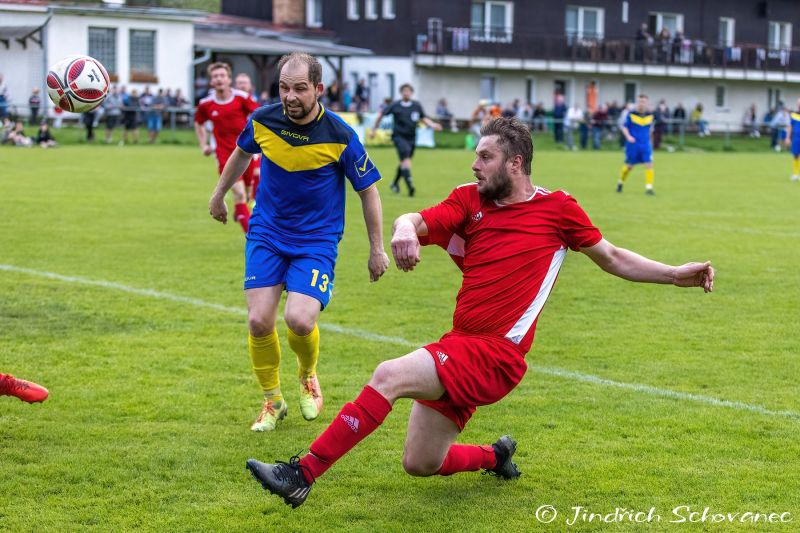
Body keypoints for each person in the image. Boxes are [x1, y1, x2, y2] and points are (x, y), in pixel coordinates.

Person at [244, 117, 715, 508]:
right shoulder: (469, 200)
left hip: (497, 355)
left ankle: (302, 474)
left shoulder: (558, 209)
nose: (474, 164)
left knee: (388, 374)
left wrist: (675, 274)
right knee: (421, 462)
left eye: (485, 157)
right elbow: (416, 217)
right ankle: (495, 456)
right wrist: (404, 230)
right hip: (460, 344)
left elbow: (612, 257)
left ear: (516, 162)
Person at [207, 52, 390, 432]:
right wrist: (219, 193)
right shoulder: (263, 120)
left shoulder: (340, 135)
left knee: (299, 319)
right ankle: (272, 401)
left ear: (319, 89)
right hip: (268, 233)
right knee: (259, 320)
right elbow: (241, 153)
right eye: (284, 88)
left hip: (316, 241)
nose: (290, 96)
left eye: (300, 89)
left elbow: (368, 192)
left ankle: (308, 375)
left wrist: (376, 249)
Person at [195, 63, 260, 233]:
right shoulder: (206, 104)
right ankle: (252, 237)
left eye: (222, 75)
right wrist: (203, 145)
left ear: (229, 79)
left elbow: (259, 115)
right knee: (239, 194)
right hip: (224, 155)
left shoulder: (241, 98)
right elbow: (198, 123)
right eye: (215, 76)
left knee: (246, 195)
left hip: (246, 153)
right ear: (211, 81)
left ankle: (241, 212)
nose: (219, 79)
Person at [370, 83, 442, 196]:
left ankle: (394, 183)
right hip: (399, 137)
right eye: (404, 91)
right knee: (406, 161)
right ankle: (410, 187)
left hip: (411, 138)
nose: (406, 93)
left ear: (411, 93)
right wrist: (374, 130)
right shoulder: (395, 105)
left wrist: (433, 125)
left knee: (405, 162)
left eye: (408, 91)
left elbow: (423, 118)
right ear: (401, 92)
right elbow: (381, 114)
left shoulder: (416, 106)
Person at [617, 94, 656, 195]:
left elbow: (650, 131)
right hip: (633, 145)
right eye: (640, 101)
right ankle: (620, 182)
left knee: (649, 164)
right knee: (629, 167)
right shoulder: (631, 115)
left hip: (645, 145)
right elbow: (624, 127)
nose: (641, 104)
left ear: (646, 103)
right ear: (637, 102)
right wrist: (628, 137)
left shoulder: (650, 116)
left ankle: (649, 188)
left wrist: (650, 143)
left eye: (643, 102)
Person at [784, 98, 800, 181]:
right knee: (795, 156)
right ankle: (795, 174)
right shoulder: (794, 115)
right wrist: (787, 137)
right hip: (796, 138)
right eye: (798, 103)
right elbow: (790, 127)